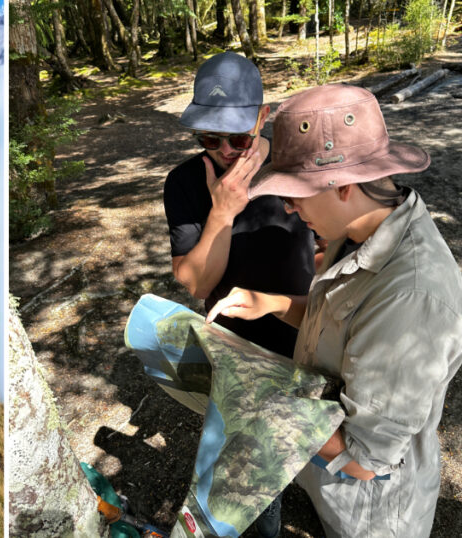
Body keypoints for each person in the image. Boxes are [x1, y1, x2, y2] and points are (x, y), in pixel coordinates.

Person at [206, 84, 462, 538]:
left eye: (294, 194)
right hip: (332, 484)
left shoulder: (410, 297)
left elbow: (364, 458)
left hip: (372, 512)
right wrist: (271, 303)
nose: (287, 207)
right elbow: (344, 321)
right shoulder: (360, 230)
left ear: (343, 186)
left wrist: (254, 401)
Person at [164, 51, 315, 538]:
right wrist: (223, 211)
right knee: (254, 472)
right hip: (234, 344)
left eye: (240, 137)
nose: (227, 151)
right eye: (212, 138)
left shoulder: (300, 164)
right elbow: (198, 283)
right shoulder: (185, 183)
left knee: (314, 441)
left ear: (263, 117)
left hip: (305, 329)